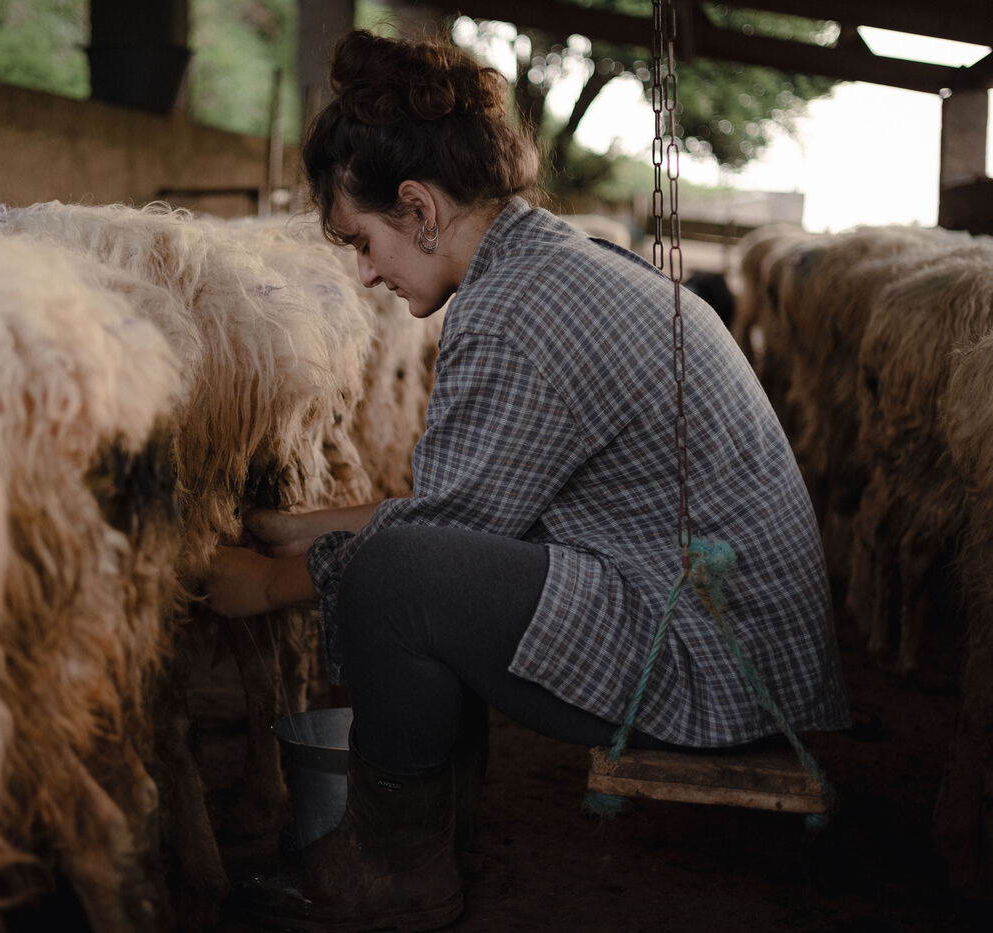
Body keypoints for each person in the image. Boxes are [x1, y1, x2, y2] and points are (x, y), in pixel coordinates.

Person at [201, 28, 849, 933]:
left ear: (420, 208)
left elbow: (436, 544)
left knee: (394, 582)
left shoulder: (509, 313)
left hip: (713, 661)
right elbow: (470, 504)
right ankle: (438, 829)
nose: (366, 272)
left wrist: (270, 583)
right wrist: (298, 526)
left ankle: (394, 868)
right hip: (736, 628)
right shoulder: (546, 262)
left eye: (363, 239)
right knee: (413, 560)